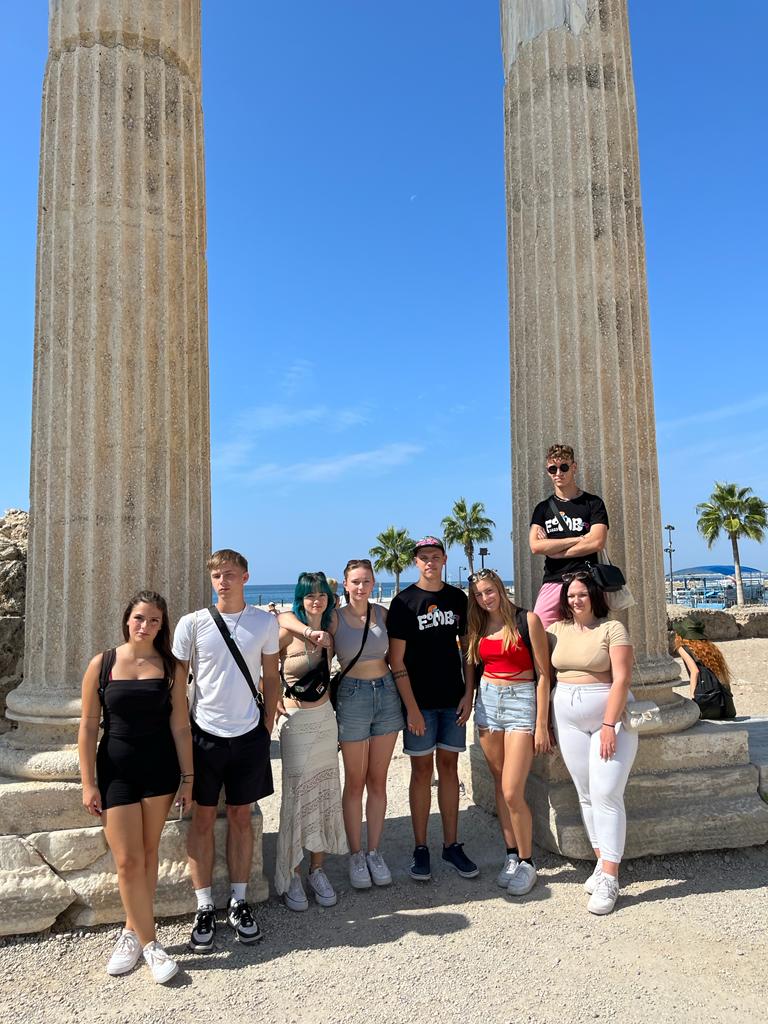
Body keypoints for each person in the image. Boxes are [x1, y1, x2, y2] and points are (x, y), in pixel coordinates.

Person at [78, 590, 193, 984]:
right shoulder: (103, 663)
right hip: (116, 771)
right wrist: (88, 783)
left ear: (162, 626)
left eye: (154, 620)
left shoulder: (172, 667)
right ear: (127, 619)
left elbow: (181, 726)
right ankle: (151, 944)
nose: (145, 626)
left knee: (147, 853)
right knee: (127, 861)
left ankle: (131, 931)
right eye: (139, 618)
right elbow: (88, 726)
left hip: (160, 769)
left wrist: (188, 779)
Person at [173, 550, 280, 952]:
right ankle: (204, 905)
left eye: (230, 574)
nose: (223, 581)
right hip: (204, 734)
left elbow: (272, 676)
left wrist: (267, 724)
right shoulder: (192, 623)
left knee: (240, 816)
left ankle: (239, 900)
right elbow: (179, 682)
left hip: (249, 734)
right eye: (217, 575)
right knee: (202, 818)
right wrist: (182, 733)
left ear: (245, 577)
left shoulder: (264, 622)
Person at [387, 536, 477, 882]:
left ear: (444, 559)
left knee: (450, 770)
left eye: (435, 556)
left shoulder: (457, 598)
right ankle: (421, 847)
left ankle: (451, 845)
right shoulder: (404, 602)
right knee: (422, 772)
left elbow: (467, 651)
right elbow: (396, 660)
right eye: (423, 557)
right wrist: (410, 708)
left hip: (453, 700)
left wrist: (468, 693)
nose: (430, 562)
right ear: (416, 562)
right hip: (419, 704)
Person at [547, 572, 637, 915]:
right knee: (585, 793)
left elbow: (622, 678)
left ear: (595, 596)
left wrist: (609, 724)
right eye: (571, 595)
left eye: (582, 594)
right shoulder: (557, 630)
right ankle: (602, 863)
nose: (576, 600)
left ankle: (611, 877)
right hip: (566, 714)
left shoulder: (612, 629)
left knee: (607, 793)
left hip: (607, 717)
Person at [465, 570, 551, 896]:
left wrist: (541, 724)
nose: (485, 598)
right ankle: (512, 855)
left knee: (513, 790)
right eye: (478, 595)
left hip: (520, 703)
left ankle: (528, 862)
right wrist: (469, 698)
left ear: (500, 589)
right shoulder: (478, 625)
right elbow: (472, 666)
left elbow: (543, 675)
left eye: (489, 591)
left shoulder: (527, 621)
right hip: (488, 704)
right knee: (500, 786)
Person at [276, 572, 347, 911]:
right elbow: (263, 661)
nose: (315, 600)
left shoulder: (331, 626)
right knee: (296, 796)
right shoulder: (287, 630)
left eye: (321, 595)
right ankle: (291, 872)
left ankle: (317, 869)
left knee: (324, 793)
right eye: (309, 595)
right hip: (296, 720)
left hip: (324, 719)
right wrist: (271, 698)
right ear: (300, 599)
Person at [529, 443, 609, 627]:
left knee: (589, 634)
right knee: (540, 630)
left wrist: (555, 551)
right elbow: (535, 546)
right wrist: (578, 539)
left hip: (586, 580)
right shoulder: (542, 508)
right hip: (553, 580)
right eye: (553, 469)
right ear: (548, 471)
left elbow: (597, 542)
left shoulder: (593, 503)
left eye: (564, 467)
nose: (558, 473)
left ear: (574, 467)